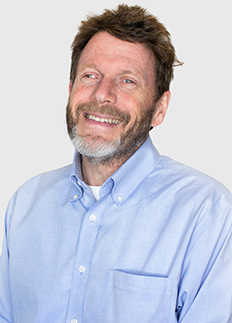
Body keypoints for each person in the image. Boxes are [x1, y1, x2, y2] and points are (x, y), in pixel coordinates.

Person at [0, 4, 231, 323]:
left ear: (159, 109)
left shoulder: (208, 214)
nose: (101, 94)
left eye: (127, 81)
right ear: (70, 92)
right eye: (90, 75)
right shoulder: (25, 204)